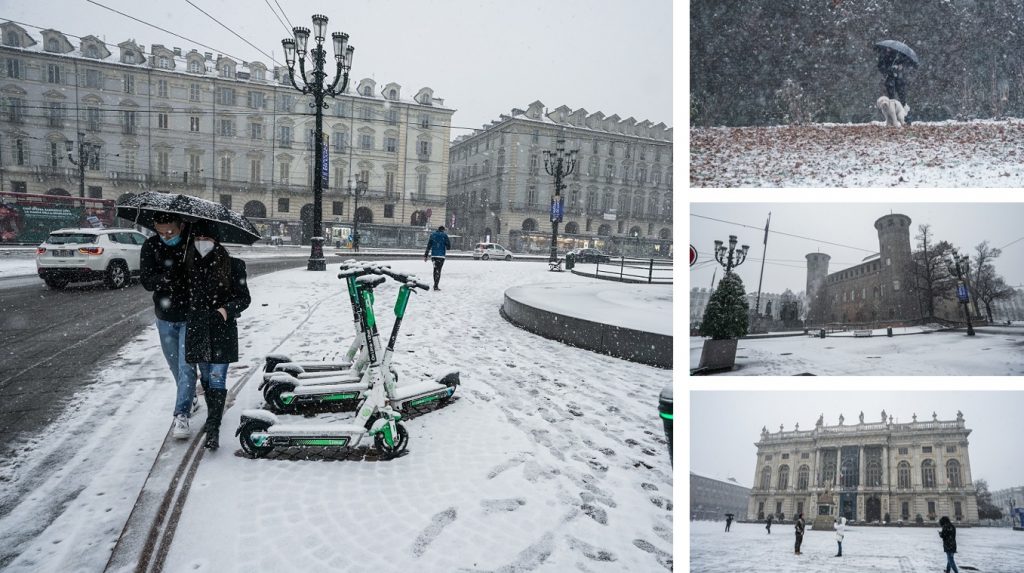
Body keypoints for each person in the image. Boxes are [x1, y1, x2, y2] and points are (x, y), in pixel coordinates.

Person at [183, 223, 251, 449]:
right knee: (205, 377)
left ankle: (213, 428)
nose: (202, 241)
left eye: (207, 237)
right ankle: (213, 411)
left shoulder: (234, 266)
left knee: (217, 377)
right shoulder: (187, 265)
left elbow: (244, 299)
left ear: (216, 240)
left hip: (222, 329)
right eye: (198, 236)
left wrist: (225, 310)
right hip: (197, 328)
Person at [140, 213, 198, 439]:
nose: (166, 236)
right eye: (160, 231)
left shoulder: (193, 243)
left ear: (181, 226)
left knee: (186, 366)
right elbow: (146, 280)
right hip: (164, 317)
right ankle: (189, 395)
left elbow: (207, 275)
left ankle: (181, 415)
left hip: (190, 316)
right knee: (175, 365)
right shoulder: (151, 245)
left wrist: (188, 275)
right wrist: (166, 278)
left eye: (171, 232)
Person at [877, 49, 912, 125]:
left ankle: (906, 118)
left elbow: (905, 63)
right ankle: (892, 120)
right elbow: (880, 66)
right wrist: (889, 69)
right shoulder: (882, 55)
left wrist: (900, 66)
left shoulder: (899, 53)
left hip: (899, 78)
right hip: (889, 79)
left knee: (902, 98)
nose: (888, 50)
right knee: (891, 99)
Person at [423, 225, 451, 291]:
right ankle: (436, 285)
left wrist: (426, 255)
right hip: (441, 256)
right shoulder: (444, 235)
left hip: (434, 256)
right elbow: (449, 247)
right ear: (443, 230)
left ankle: (435, 284)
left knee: (435, 269)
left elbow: (429, 245)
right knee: (439, 270)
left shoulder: (433, 235)